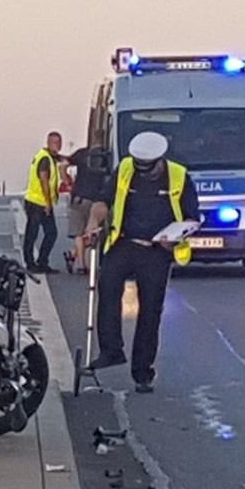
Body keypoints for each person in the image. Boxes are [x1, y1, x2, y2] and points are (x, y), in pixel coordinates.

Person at [84, 131, 199, 393]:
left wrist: (174, 238)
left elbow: (193, 218)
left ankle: (142, 372)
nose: (143, 174)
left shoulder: (179, 176)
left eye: (148, 170)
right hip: (124, 243)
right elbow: (103, 201)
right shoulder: (125, 168)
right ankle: (111, 350)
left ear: (160, 161)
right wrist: (93, 223)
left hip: (156, 250)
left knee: (150, 311)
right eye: (140, 168)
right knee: (109, 286)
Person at [23, 131, 63, 273]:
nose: (57, 145)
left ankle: (42, 262)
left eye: (59, 142)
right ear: (48, 143)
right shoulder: (45, 159)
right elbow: (44, 180)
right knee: (32, 234)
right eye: (54, 142)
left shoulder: (50, 157)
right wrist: (47, 203)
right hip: (37, 202)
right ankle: (30, 263)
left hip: (42, 202)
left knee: (51, 232)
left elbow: (62, 159)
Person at [64, 147, 106, 274]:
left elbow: (64, 164)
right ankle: (78, 260)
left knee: (79, 233)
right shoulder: (106, 155)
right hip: (95, 201)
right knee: (94, 234)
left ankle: (78, 260)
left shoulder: (82, 153)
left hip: (79, 198)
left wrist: (67, 181)